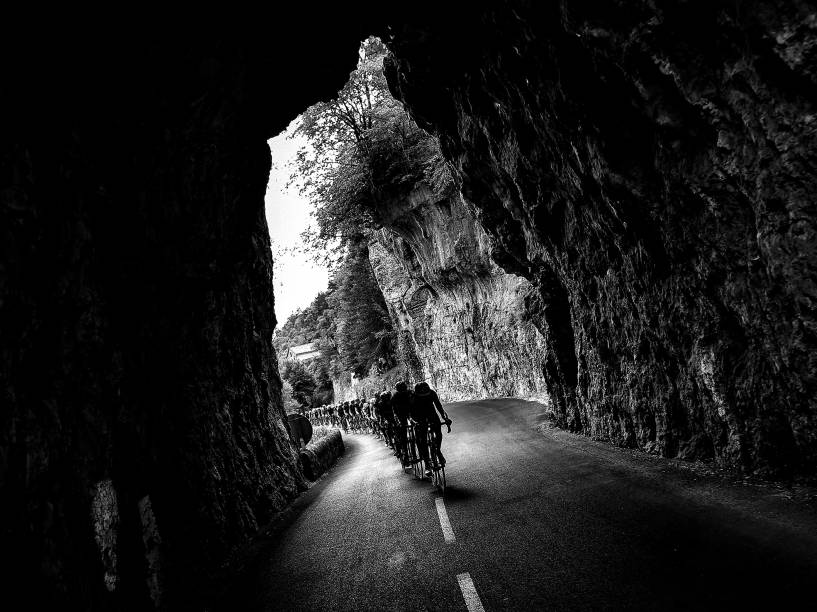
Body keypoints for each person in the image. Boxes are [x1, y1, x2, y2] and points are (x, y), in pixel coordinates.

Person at [410, 382, 451, 475]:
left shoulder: (432, 393)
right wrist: (414, 422)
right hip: (419, 416)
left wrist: (445, 418)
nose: (424, 397)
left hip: (431, 413)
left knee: (438, 432)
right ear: (417, 394)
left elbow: (439, 406)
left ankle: (438, 451)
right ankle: (427, 464)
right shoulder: (412, 397)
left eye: (426, 395)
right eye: (422, 396)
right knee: (422, 439)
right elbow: (410, 414)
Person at [391, 381, 414, 464]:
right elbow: (394, 411)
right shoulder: (395, 397)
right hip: (401, 415)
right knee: (403, 435)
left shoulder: (410, 393)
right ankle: (405, 454)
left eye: (404, 389)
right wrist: (398, 420)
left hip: (411, 412)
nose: (403, 391)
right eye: (401, 390)